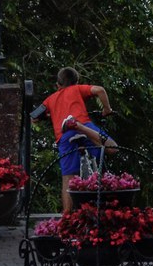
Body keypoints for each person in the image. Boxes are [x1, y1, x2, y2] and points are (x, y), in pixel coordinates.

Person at [40, 66, 118, 212]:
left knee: (68, 178)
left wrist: (49, 115)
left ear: (58, 85)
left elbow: (34, 116)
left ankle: (66, 218)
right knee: (112, 148)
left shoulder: (50, 99)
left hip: (64, 135)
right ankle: (78, 127)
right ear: (76, 81)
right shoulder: (77, 89)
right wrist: (107, 109)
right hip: (83, 124)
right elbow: (100, 90)